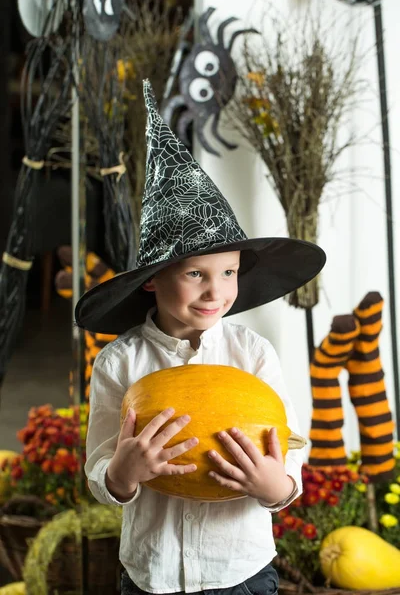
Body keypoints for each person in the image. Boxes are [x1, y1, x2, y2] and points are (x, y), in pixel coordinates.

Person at [75, 80, 326, 595]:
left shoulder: (252, 353)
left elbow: (291, 450)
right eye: (195, 274)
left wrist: (272, 486)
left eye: (229, 272)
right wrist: (121, 473)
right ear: (153, 278)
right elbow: (100, 469)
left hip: (241, 573)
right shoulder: (119, 364)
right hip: (150, 575)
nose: (217, 291)